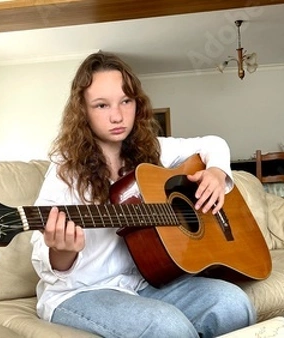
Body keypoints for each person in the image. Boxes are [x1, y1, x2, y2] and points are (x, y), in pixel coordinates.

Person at [30, 52, 255, 338]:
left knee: (233, 304)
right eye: (101, 105)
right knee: (167, 326)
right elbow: (44, 257)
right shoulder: (66, 169)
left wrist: (216, 172)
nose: (117, 115)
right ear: (83, 112)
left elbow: (213, 143)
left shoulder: (151, 150)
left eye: (126, 101)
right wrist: (62, 251)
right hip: (81, 291)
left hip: (144, 282)